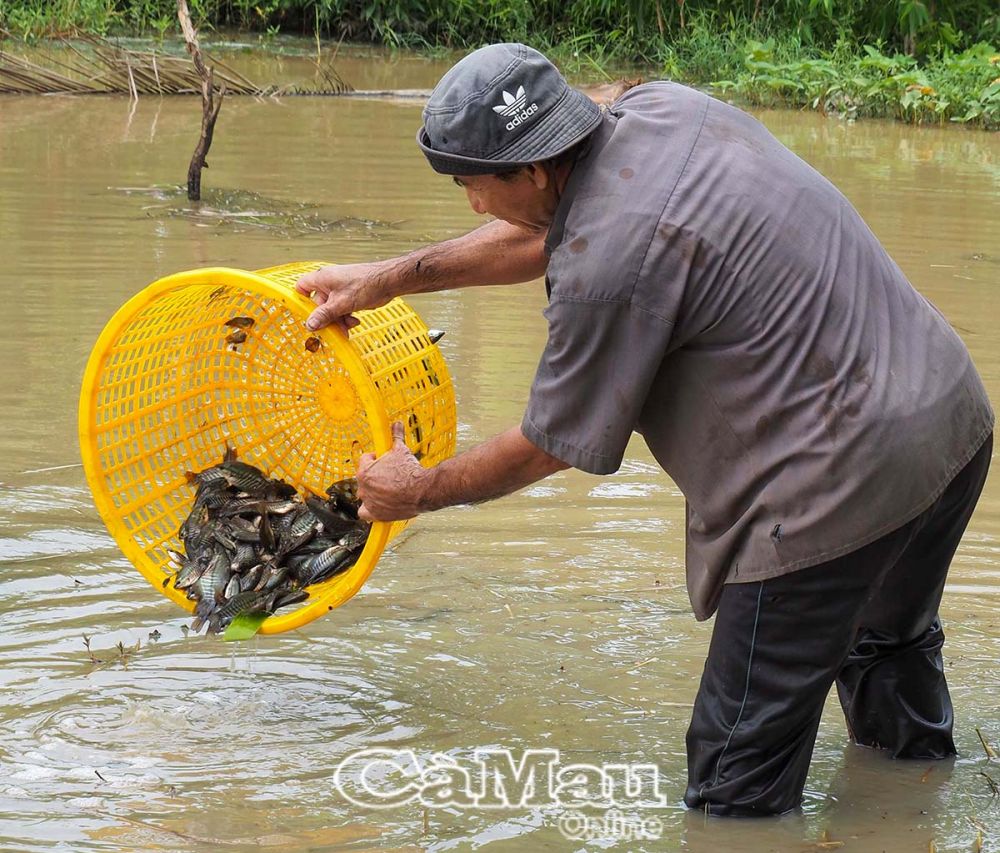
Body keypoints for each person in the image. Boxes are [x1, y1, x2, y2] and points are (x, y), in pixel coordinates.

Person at [295, 43, 994, 816]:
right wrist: (386, 278)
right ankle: (915, 808)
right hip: (948, 421)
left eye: (474, 186)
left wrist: (421, 488)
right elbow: (553, 232)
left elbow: (550, 442)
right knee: (886, 648)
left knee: (735, 783)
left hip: (832, 488)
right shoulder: (665, 109)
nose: (472, 207)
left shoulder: (607, 266)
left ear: (532, 170)